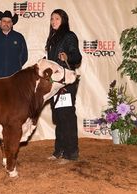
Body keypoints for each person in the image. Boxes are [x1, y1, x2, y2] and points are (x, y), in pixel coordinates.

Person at [0, 10, 28, 147]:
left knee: (13, 110)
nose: (6, 23)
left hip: (14, 81)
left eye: (9, 21)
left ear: (12, 23)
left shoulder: (19, 38)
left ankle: (12, 137)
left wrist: (15, 71)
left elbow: (23, 57)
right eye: (4, 21)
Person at [45, 9, 82, 161]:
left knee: (66, 116)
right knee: (59, 116)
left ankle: (71, 152)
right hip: (56, 83)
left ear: (64, 20)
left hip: (66, 82)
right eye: (52, 19)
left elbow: (77, 56)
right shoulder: (53, 38)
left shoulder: (69, 36)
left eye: (57, 19)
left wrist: (68, 56)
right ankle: (59, 149)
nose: (54, 21)